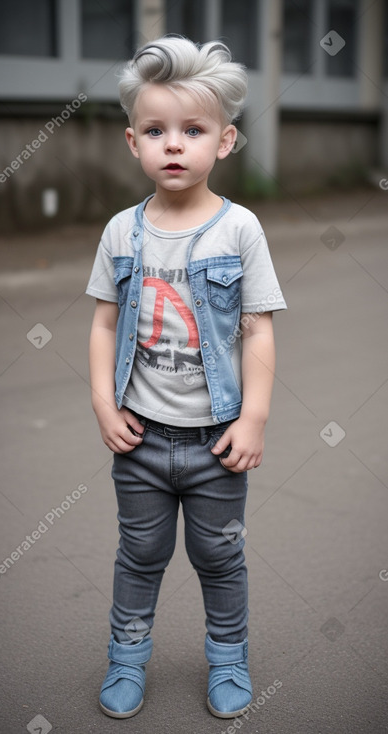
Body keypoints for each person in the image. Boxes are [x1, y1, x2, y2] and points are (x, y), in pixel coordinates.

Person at [85, 35, 287, 720]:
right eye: (155, 130)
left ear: (224, 141)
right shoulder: (121, 231)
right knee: (138, 557)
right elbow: (104, 324)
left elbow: (258, 327)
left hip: (214, 443)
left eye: (191, 130)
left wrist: (253, 416)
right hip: (140, 440)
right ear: (131, 142)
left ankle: (228, 658)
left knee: (218, 559)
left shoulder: (239, 230)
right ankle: (126, 658)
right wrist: (103, 404)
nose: (173, 144)